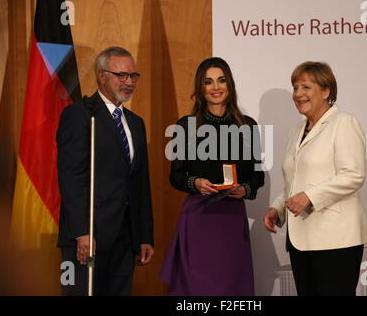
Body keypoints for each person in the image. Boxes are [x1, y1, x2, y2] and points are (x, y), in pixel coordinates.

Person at [263, 61, 367, 296]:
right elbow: (294, 181)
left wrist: (309, 197)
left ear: (326, 91)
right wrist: (277, 210)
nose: (298, 94)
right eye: (295, 88)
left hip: (335, 240)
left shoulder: (343, 123)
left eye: (305, 87)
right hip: (301, 239)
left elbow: (353, 175)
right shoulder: (297, 130)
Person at [159, 57, 264, 295]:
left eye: (221, 80)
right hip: (198, 218)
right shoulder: (186, 126)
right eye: (208, 82)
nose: (216, 87)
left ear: (230, 85)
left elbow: (257, 178)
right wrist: (194, 183)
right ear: (200, 88)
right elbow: (175, 176)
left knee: (231, 286)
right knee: (197, 288)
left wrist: (244, 190)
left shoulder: (248, 126)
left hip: (231, 220)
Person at [57, 46, 154, 296]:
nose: (129, 82)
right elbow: (71, 178)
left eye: (133, 76)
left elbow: (140, 183)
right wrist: (81, 232)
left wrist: (144, 235)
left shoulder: (136, 123)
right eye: (121, 75)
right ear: (101, 75)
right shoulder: (80, 114)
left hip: (125, 237)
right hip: (89, 237)